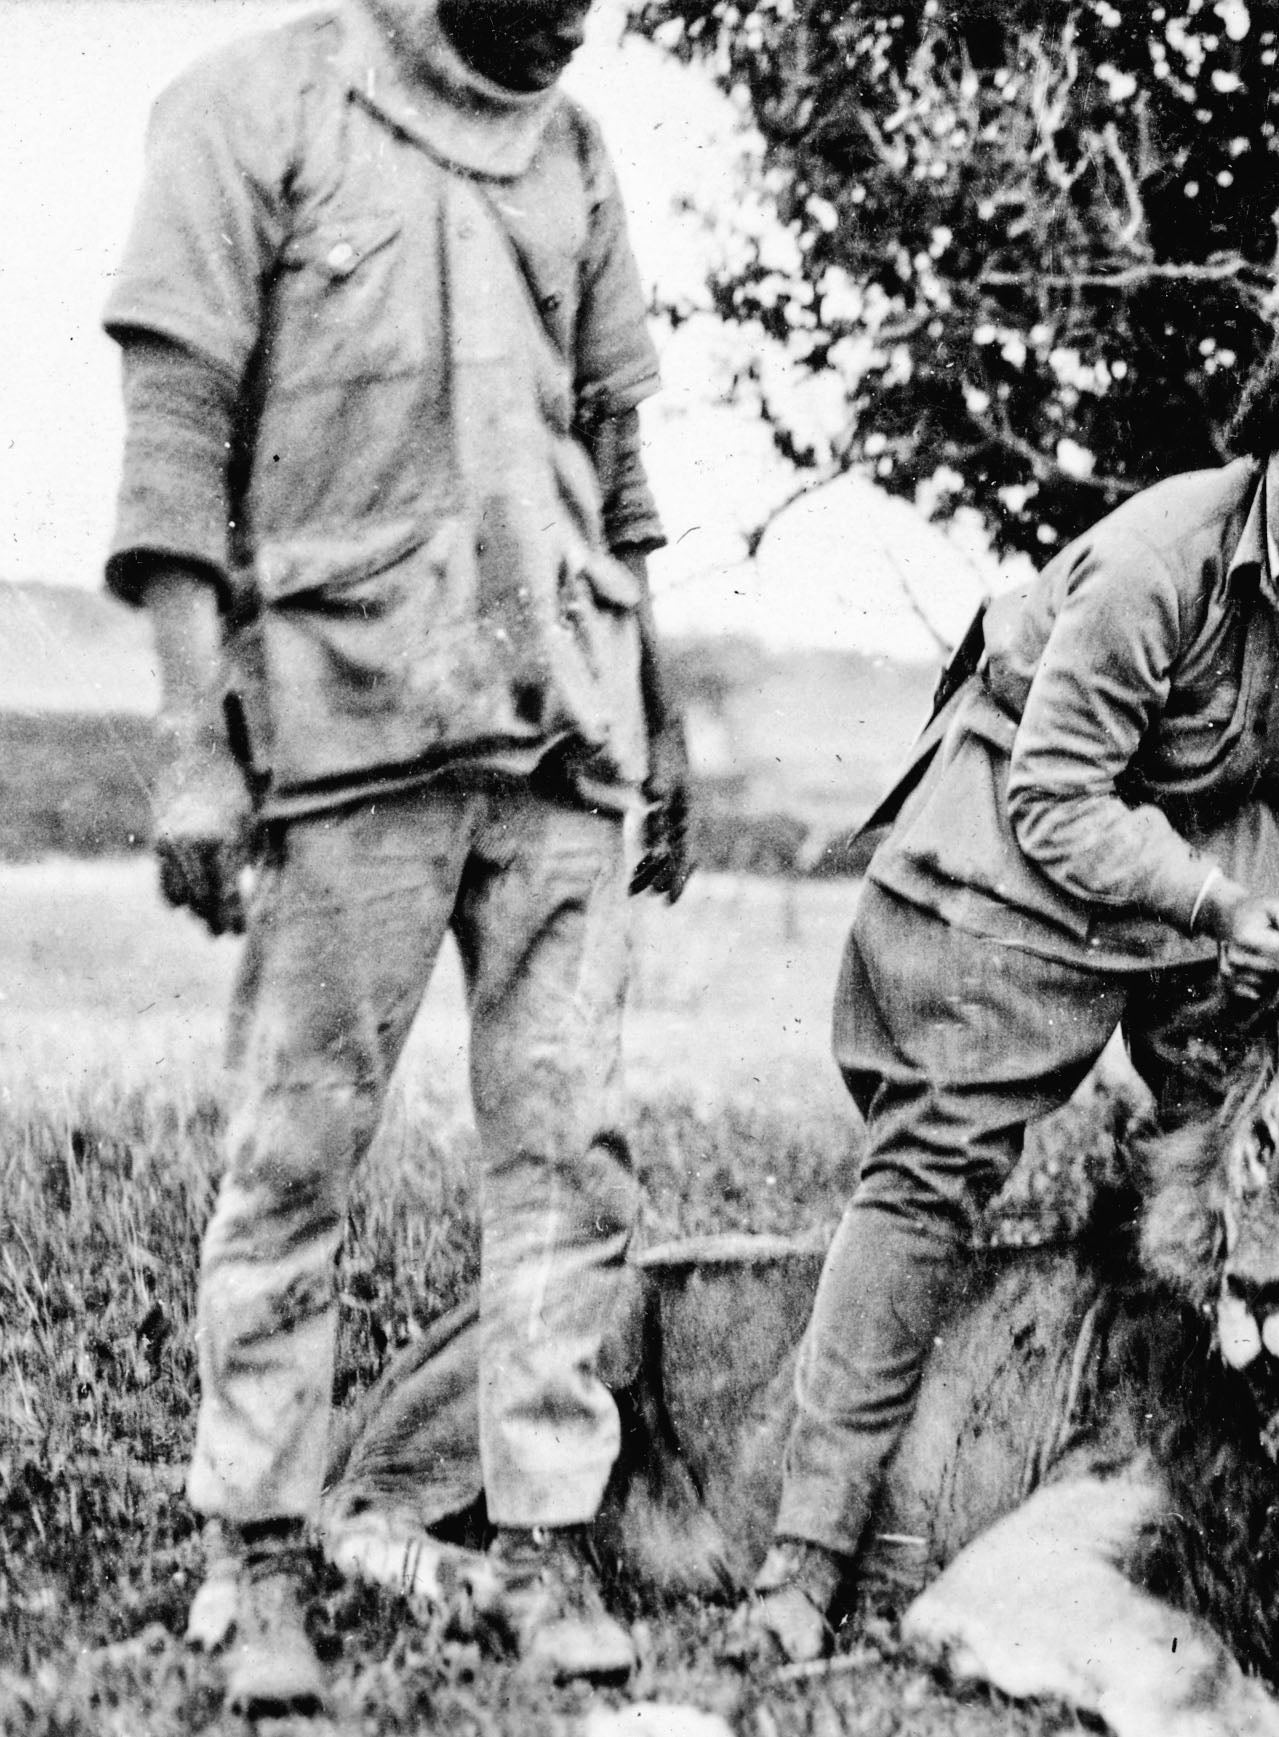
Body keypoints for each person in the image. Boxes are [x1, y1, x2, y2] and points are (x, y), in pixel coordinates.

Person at [730, 297, 1279, 1663]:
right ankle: (806, 1551)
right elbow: (1060, 794)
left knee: (1267, 1142)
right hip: (1030, 826)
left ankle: (1240, 1503)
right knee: (930, 1165)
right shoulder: (1156, 561)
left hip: (1219, 828)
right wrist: (1215, 907)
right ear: (1265, 456)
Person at [103, 0, 689, 1714]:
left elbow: (623, 456)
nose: (580, 14)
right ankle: (257, 1549)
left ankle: (546, 1542)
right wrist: (190, 742)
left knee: (568, 1155)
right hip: (346, 726)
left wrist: (663, 708)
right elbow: (173, 439)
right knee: (293, 1153)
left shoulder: (575, 147)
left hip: (564, 732)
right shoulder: (247, 108)